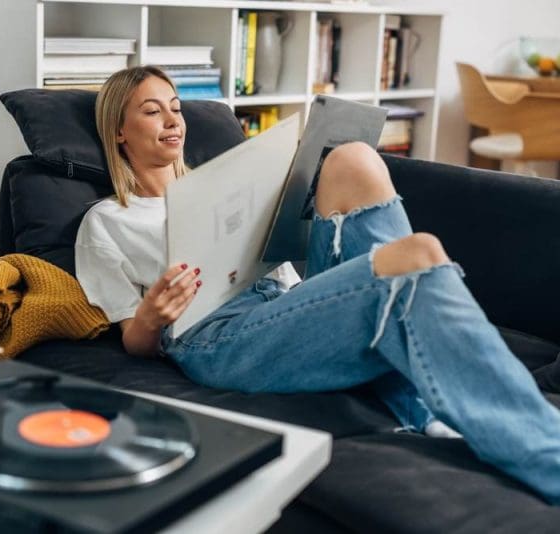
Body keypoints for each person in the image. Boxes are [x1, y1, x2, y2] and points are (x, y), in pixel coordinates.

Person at [74, 65, 560, 503]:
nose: (173, 120)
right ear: (119, 130)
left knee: (353, 160)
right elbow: (133, 343)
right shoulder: (107, 222)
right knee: (419, 253)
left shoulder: (221, 186)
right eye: (152, 111)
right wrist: (153, 317)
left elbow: (288, 275)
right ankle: (544, 455)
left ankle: (418, 399)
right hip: (214, 337)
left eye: (176, 109)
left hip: (279, 301)